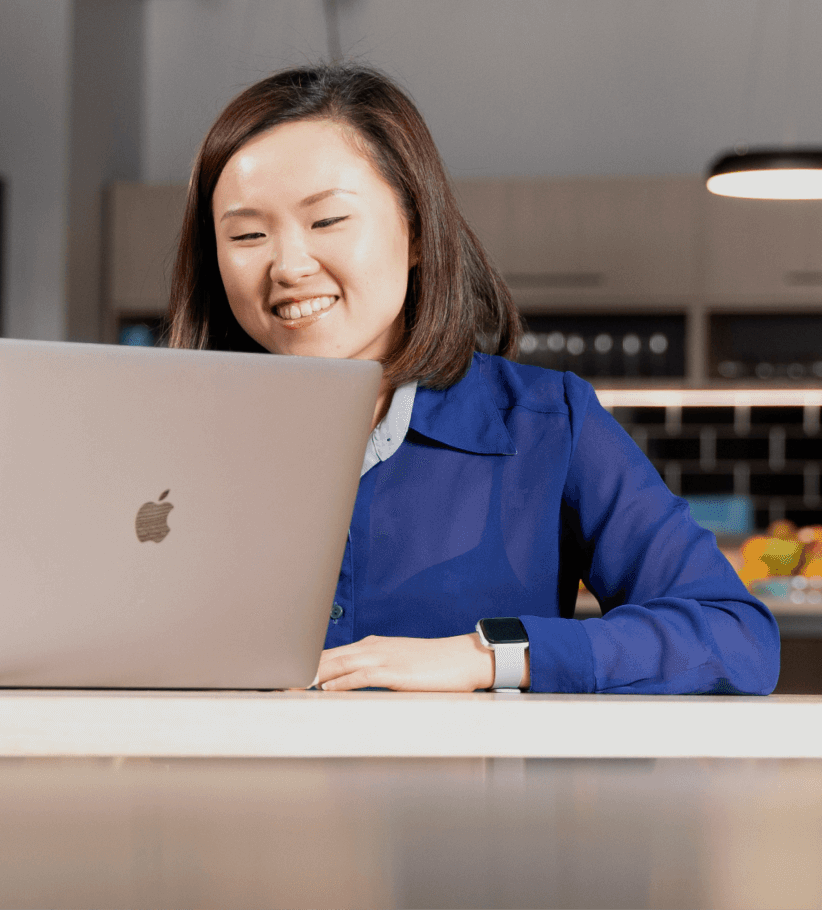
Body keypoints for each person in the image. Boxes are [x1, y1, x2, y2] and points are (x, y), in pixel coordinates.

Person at [166, 63, 778, 694]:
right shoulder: (163, 438)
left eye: (326, 222)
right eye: (247, 234)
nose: (289, 265)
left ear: (418, 233)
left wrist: (490, 656)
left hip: (474, 796)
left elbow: (735, 636)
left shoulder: (549, 425)